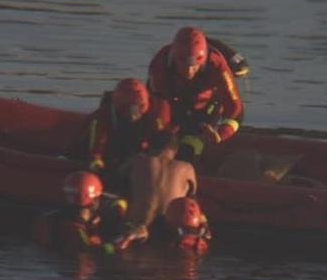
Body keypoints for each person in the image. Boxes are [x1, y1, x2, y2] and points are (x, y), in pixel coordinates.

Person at [147, 26, 245, 163]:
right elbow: (159, 103)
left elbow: (235, 108)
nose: (189, 71)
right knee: (159, 138)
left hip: (205, 109)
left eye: (194, 66)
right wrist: (163, 132)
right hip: (173, 102)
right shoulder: (160, 65)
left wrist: (221, 133)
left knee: (188, 150)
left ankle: (193, 153)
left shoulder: (216, 64)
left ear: (203, 60)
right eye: (183, 65)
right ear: (174, 58)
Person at [112, 132, 198, 251]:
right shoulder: (187, 168)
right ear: (176, 150)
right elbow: (192, 199)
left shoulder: (136, 160)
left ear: (151, 146)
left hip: (138, 226)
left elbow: (116, 179)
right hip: (169, 231)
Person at [75, 78, 169, 186]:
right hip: (115, 158)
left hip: (146, 161)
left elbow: (163, 144)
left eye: (137, 109)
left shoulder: (158, 113)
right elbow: (96, 148)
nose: (133, 114)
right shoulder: (103, 115)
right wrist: (98, 167)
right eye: (129, 109)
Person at [33, 171, 123, 253]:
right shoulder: (75, 230)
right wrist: (118, 246)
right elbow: (91, 251)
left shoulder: (51, 218)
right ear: (94, 201)